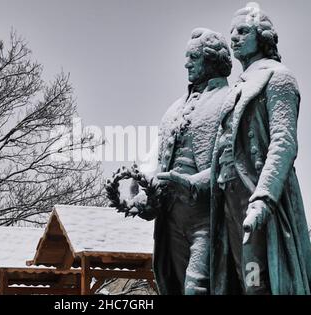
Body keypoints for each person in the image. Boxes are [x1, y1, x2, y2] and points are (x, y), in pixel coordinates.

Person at [209, 4, 311, 294]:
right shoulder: (236, 88)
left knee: (258, 279)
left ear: (263, 36)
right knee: (238, 277)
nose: (234, 37)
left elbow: (283, 142)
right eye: (231, 31)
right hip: (228, 196)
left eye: (243, 31)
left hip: (257, 195)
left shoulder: (278, 77)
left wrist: (264, 198)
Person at [130, 28, 231, 294]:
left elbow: (234, 164)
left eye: (193, 57)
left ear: (210, 60)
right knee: (173, 286)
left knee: (197, 287)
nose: (186, 63)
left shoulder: (229, 101)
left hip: (207, 217)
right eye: (186, 56)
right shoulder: (173, 110)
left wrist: (191, 183)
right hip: (171, 218)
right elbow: (154, 164)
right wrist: (144, 195)